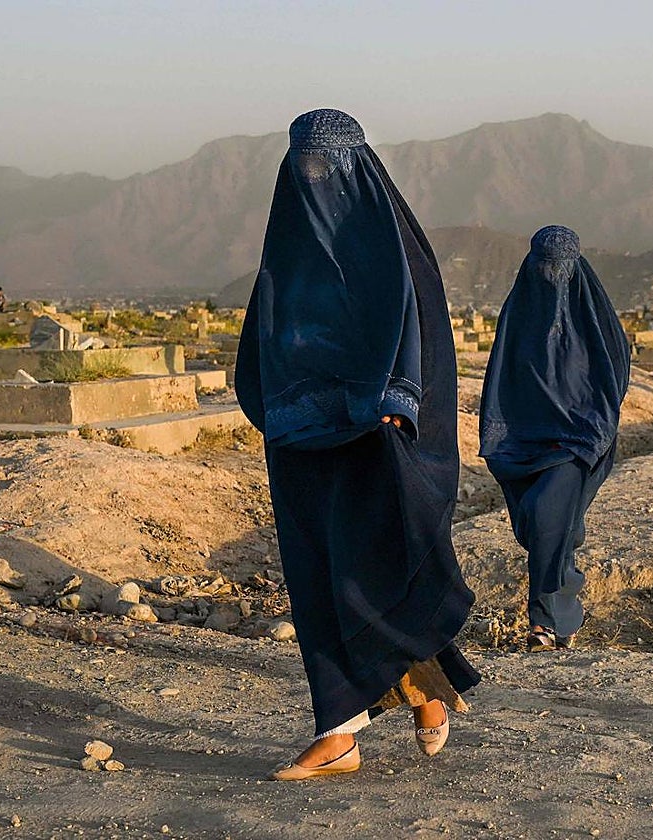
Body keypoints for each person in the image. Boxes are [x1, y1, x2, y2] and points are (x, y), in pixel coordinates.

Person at [236, 109, 479, 781]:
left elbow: (419, 333)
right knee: (319, 579)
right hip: (300, 438)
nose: (316, 178)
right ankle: (339, 732)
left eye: (328, 163)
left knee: (375, 570)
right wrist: (274, 402)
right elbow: (265, 334)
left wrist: (397, 406)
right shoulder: (286, 248)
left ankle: (423, 687)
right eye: (304, 165)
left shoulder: (394, 247)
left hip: (378, 432)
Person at [479, 225, 631, 652]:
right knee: (546, 527)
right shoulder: (519, 317)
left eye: (559, 268)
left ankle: (542, 623)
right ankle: (564, 611)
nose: (552, 277)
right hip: (522, 441)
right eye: (545, 267)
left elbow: (615, 374)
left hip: (577, 440)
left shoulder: (595, 320)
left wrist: (595, 424)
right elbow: (501, 380)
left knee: (548, 518)